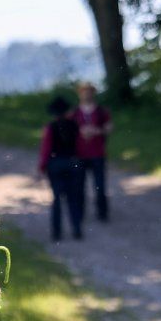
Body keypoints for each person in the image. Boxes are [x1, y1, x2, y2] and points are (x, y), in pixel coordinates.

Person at [37, 95, 84, 241]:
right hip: (72, 164)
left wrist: (42, 166)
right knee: (73, 198)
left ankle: (56, 232)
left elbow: (46, 148)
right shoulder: (74, 126)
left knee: (57, 199)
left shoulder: (51, 127)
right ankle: (76, 229)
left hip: (56, 164)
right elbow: (80, 145)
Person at [71, 82, 113, 222]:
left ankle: (102, 213)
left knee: (100, 186)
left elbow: (109, 127)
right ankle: (79, 214)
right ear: (80, 93)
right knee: (79, 187)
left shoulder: (101, 111)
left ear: (93, 93)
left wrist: (97, 131)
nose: (87, 94)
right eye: (84, 91)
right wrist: (80, 131)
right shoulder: (75, 112)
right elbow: (66, 130)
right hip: (80, 155)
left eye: (89, 91)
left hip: (97, 154)